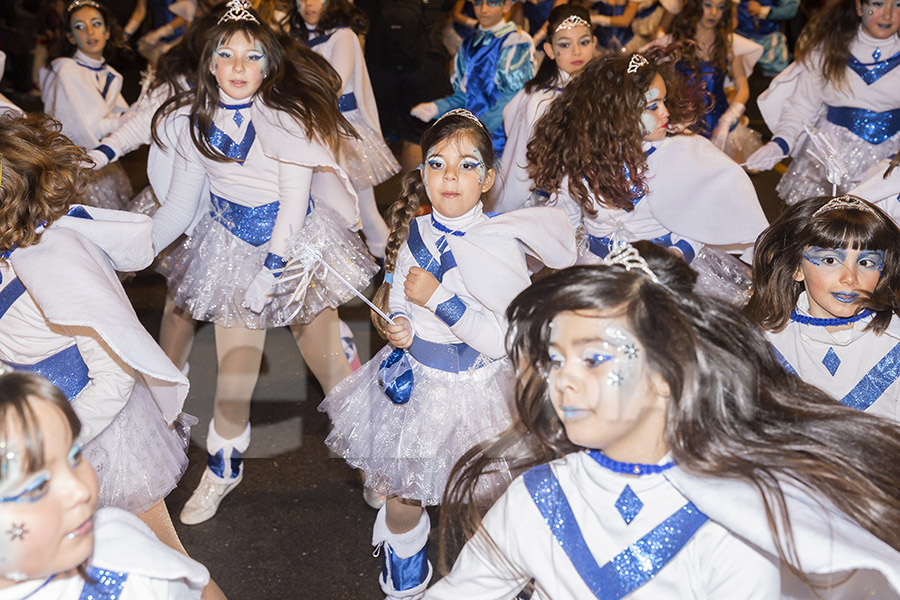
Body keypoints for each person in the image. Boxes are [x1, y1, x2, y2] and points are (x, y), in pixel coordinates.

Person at [428, 242, 900, 599]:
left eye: (594, 358)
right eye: (554, 359)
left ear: (666, 374)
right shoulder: (537, 498)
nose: (563, 381)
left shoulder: (732, 524)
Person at [319, 109, 577, 599]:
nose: (450, 176)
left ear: (488, 179)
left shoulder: (498, 244)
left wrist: (439, 298)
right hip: (418, 386)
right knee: (403, 494)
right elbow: (398, 298)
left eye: (466, 165)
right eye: (436, 164)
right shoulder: (414, 232)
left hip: (481, 392)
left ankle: (504, 575)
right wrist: (397, 325)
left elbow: (504, 339)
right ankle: (406, 573)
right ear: (423, 175)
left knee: (489, 498)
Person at [150, 0, 377, 525]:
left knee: (332, 368)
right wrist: (130, 246)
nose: (237, 66)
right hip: (229, 245)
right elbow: (181, 209)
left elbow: (294, 203)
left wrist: (272, 269)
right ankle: (224, 468)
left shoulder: (286, 118)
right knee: (233, 375)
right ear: (209, 63)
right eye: (225, 54)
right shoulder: (193, 122)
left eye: (251, 57)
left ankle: (373, 461)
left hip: (293, 248)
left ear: (268, 66)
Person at [0, 112, 192, 560]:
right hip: (33, 430)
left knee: (165, 559)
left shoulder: (59, 260)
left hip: (98, 432)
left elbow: (115, 374)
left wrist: (58, 444)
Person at [526, 49, 767, 302]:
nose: (665, 112)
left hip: (664, 273)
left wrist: (677, 253)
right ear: (617, 112)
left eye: (664, 102)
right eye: (653, 106)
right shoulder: (579, 161)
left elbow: (700, 215)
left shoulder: (678, 153)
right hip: (600, 272)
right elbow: (561, 220)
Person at [0, 371, 209, 598]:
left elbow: (203, 592)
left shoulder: (126, 561)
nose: (80, 490)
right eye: (38, 487)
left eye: (75, 457)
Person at [747, 194, 900, 420]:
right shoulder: (762, 343)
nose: (850, 278)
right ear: (797, 267)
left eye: (866, 262)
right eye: (830, 260)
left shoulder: (894, 340)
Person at [745, 0, 900, 204]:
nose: (887, 15)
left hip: (891, 161)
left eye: (898, 5)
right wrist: (779, 144)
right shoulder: (826, 51)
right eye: (878, 4)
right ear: (859, 7)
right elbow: (801, 106)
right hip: (830, 160)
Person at [286, 0, 401, 261]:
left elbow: (332, 84)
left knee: (365, 212)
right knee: (325, 209)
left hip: (341, 132)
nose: (308, 4)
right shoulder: (296, 39)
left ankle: (394, 273)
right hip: (312, 130)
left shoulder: (342, 36)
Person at [491, 5, 594, 212]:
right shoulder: (543, 100)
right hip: (542, 198)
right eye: (564, 45)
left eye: (584, 42)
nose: (577, 51)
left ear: (594, 44)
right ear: (549, 50)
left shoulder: (592, 88)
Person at [39, 0, 134, 210]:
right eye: (79, 27)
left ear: (108, 32)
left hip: (100, 160)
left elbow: (118, 113)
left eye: (96, 24)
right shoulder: (68, 71)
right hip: (74, 166)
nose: (90, 31)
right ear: (71, 37)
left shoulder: (111, 74)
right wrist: (129, 120)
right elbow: (86, 129)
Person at [410, 0, 536, 157]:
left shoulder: (516, 41)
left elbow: (512, 96)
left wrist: (480, 129)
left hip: (502, 139)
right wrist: (437, 107)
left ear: (507, 6)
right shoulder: (469, 43)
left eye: (491, 3)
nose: (483, 9)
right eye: (477, 3)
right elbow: (463, 94)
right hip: (472, 137)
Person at [668, 0, 763, 161]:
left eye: (720, 7)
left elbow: (743, 89)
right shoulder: (674, 43)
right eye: (708, 5)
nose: (714, 13)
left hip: (720, 125)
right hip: (682, 126)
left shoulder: (730, 45)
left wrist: (727, 120)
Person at [735, 0, 800, 76]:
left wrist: (762, 10)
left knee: (777, 76)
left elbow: (791, 9)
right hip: (740, 39)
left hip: (769, 41)